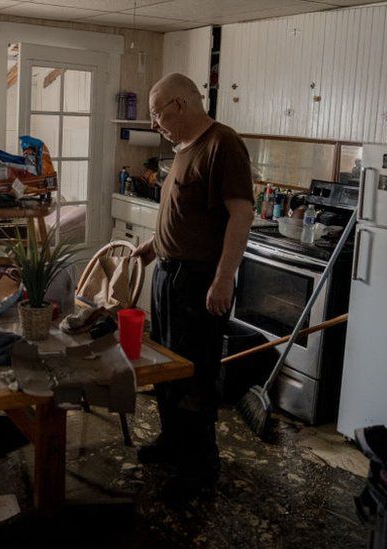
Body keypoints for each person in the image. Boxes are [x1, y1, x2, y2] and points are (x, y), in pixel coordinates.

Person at [133, 73, 254, 502]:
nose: (154, 125)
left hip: (200, 281)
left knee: (195, 374)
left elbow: (241, 216)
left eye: (156, 114)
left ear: (179, 106)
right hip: (168, 275)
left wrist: (224, 278)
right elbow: (182, 213)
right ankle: (171, 442)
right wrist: (151, 247)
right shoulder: (184, 149)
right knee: (166, 368)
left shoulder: (224, 145)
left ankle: (200, 463)